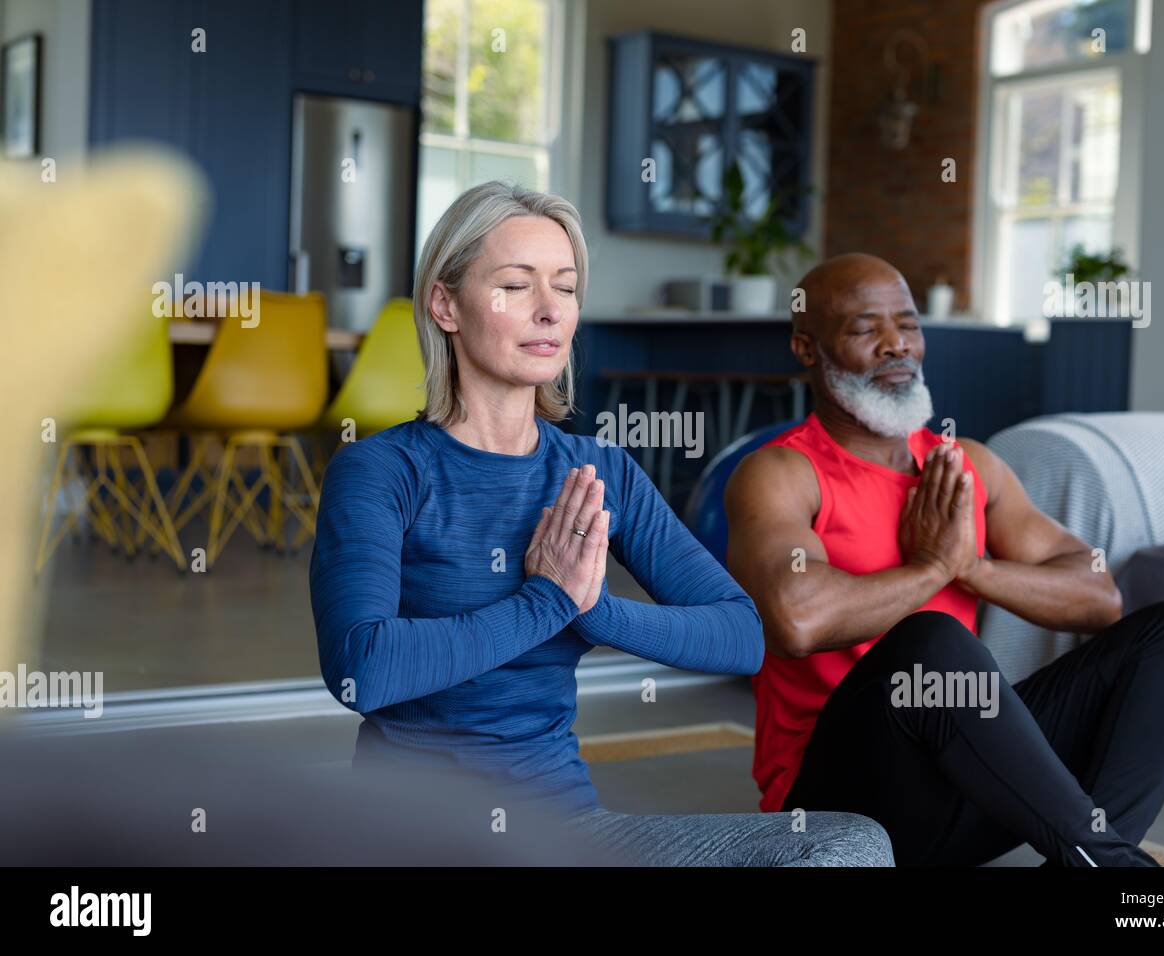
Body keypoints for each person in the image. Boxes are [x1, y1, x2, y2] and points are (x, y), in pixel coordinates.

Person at [308, 182, 892, 866]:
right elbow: (363, 671)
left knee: (850, 845)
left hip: (566, 835)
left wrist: (595, 613)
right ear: (445, 304)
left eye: (565, 286)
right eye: (517, 286)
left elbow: (741, 637)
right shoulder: (382, 471)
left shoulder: (596, 470)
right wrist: (545, 602)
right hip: (416, 837)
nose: (551, 310)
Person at [724, 252, 1164, 867]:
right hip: (837, 811)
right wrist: (930, 570)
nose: (895, 346)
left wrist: (973, 568)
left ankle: (1095, 858)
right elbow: (795, 620)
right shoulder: (780, 474)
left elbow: (1099, 595)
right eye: (864, 329)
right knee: (930, 644)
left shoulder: (963, 465)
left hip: (964, 779)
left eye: (907, 325)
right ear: (808, 348)